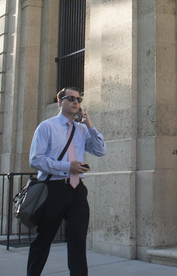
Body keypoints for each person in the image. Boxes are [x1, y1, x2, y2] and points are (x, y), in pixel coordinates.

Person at [27, 87, 106, 276]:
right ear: (59, 101)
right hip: (53, 189)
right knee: (43, 239)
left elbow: (100, 150)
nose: (76, 102)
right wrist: (66, 167)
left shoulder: (81, 129)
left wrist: (90, 125)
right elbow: (35, 160)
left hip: (77, 190)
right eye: (71, 98)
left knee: (78, 240)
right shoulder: (47, 127)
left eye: (79, 99)